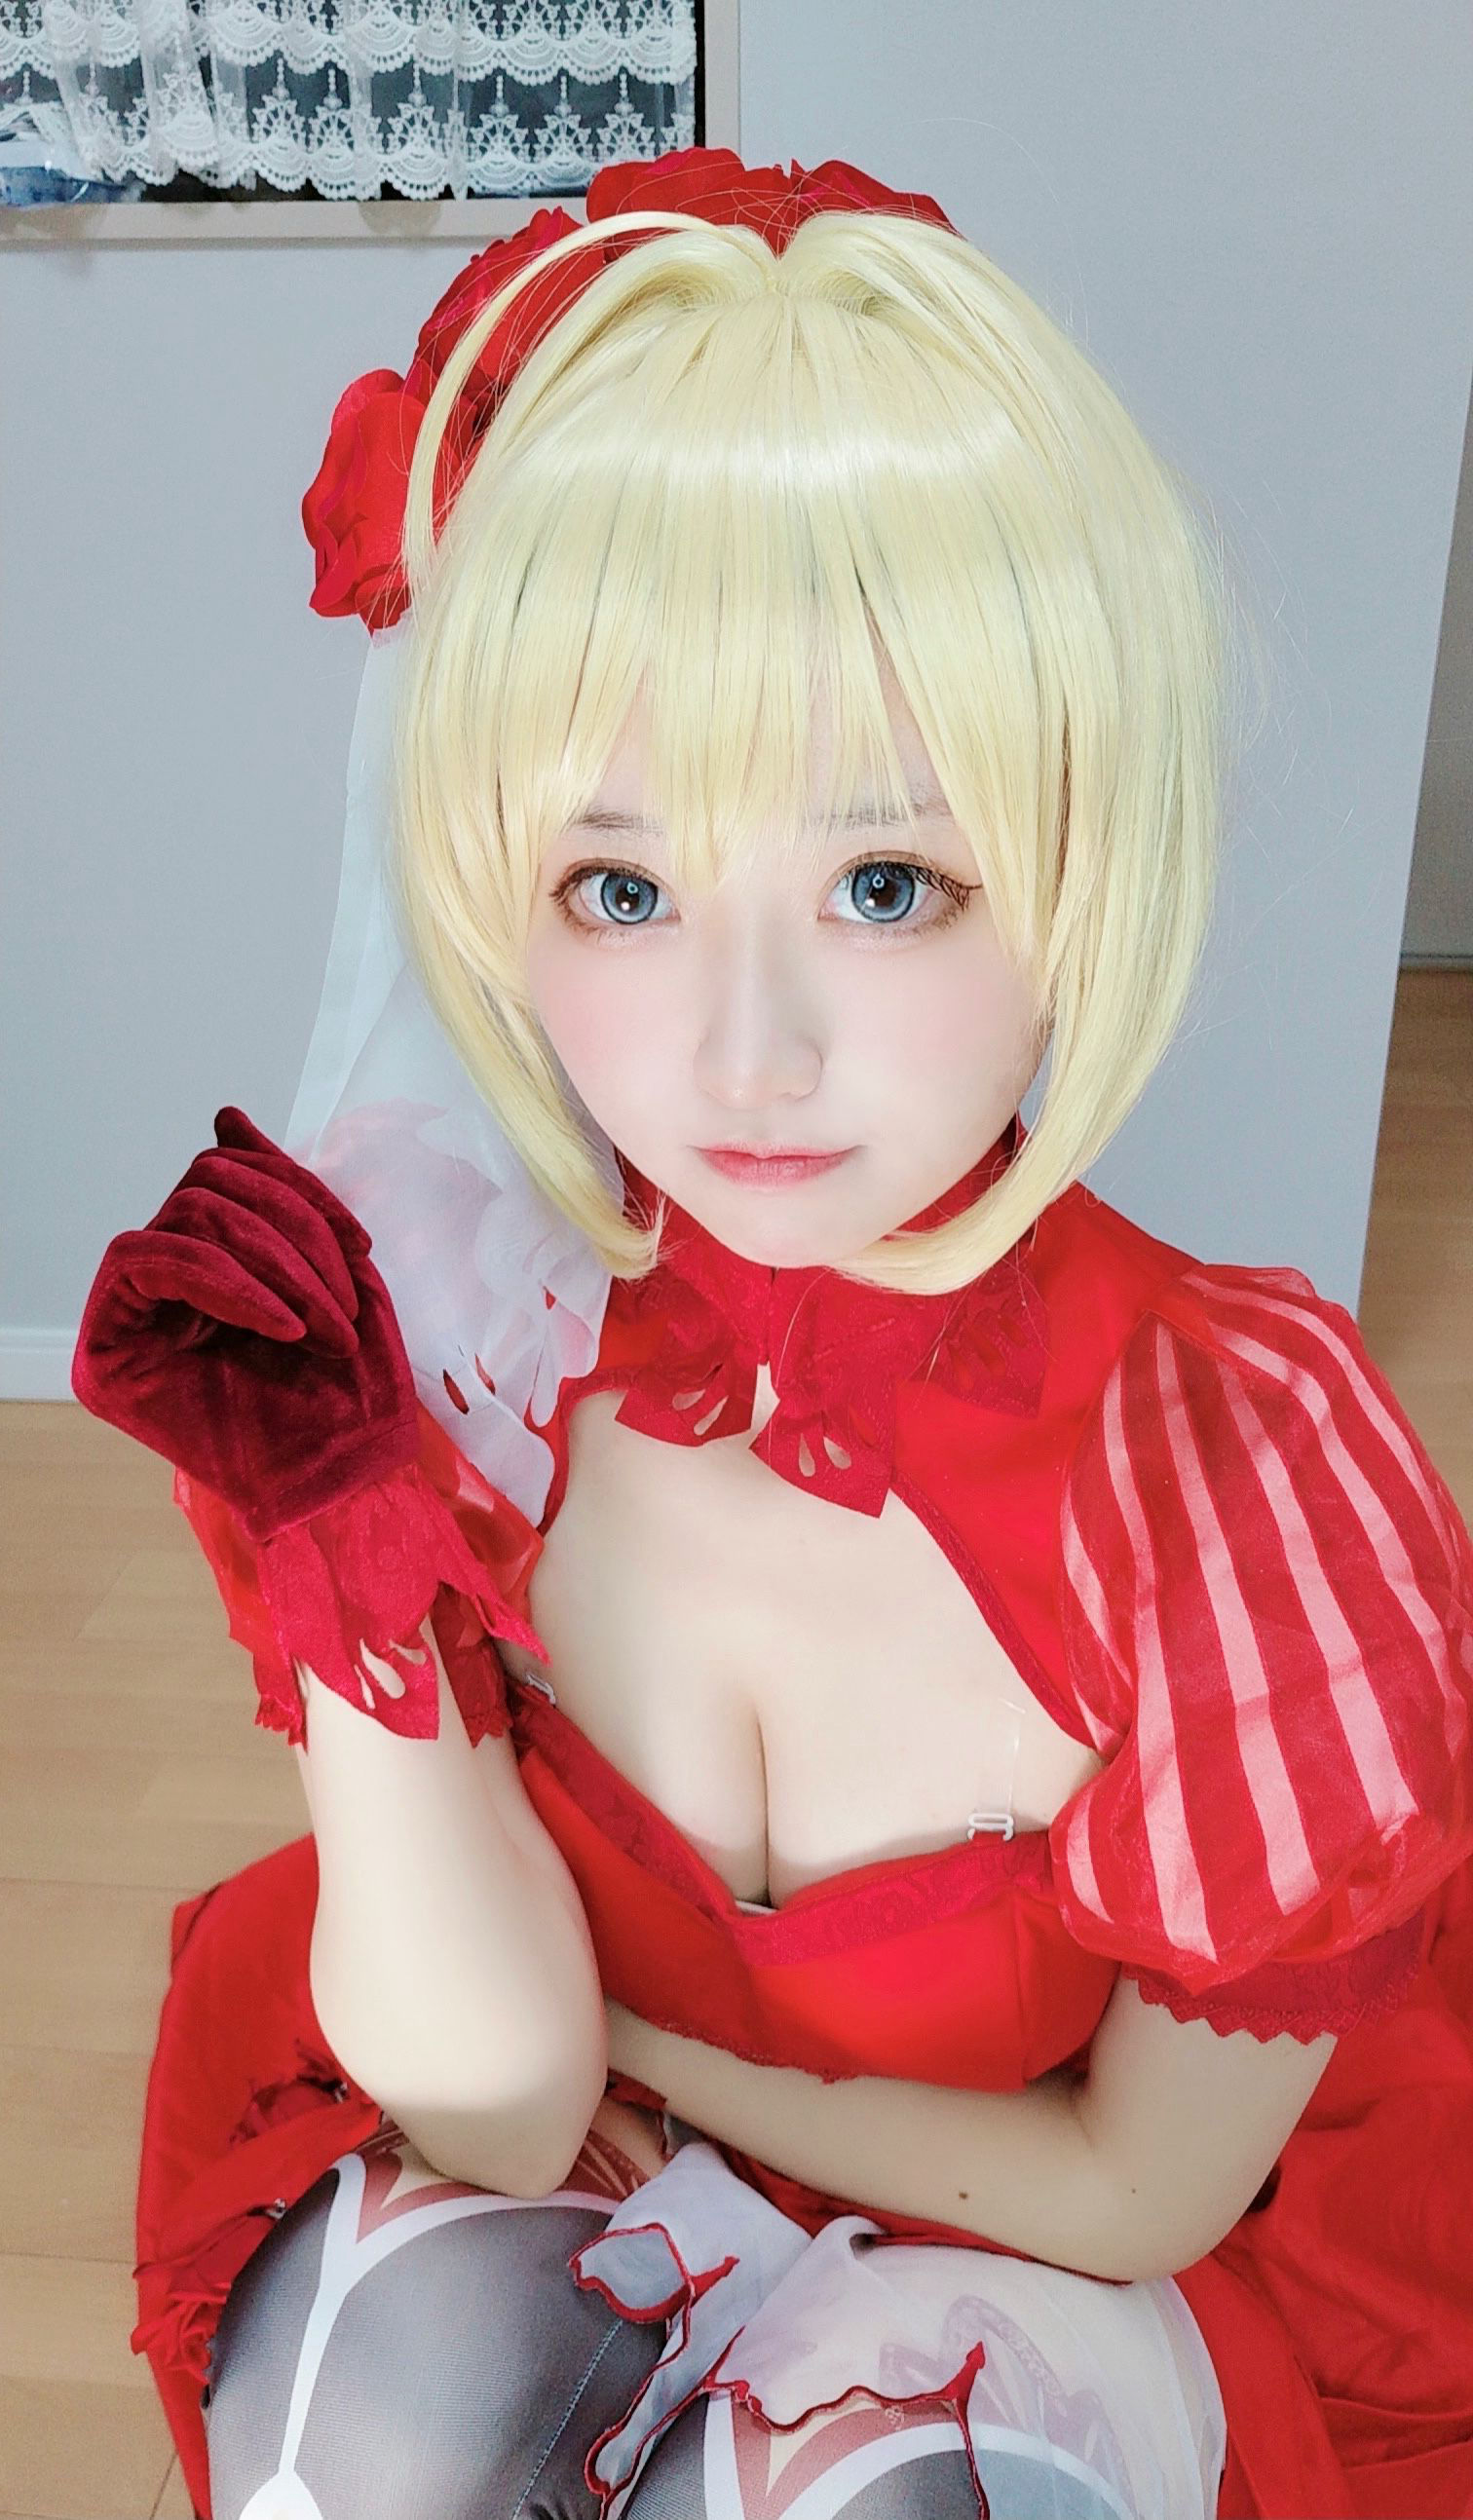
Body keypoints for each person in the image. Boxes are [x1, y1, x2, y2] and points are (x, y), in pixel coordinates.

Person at [70, 147, 1473, 2520]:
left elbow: (1139, 2190)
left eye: (885, 881)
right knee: (390, 2411)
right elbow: (501, 2106)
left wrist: (696, 2100)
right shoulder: (471, 1337)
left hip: (1057, 2241)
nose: (743, 1052)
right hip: (583, 2128)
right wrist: (335, 1554)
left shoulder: (1235, 1479)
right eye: (620, 885)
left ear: (1080, 855)